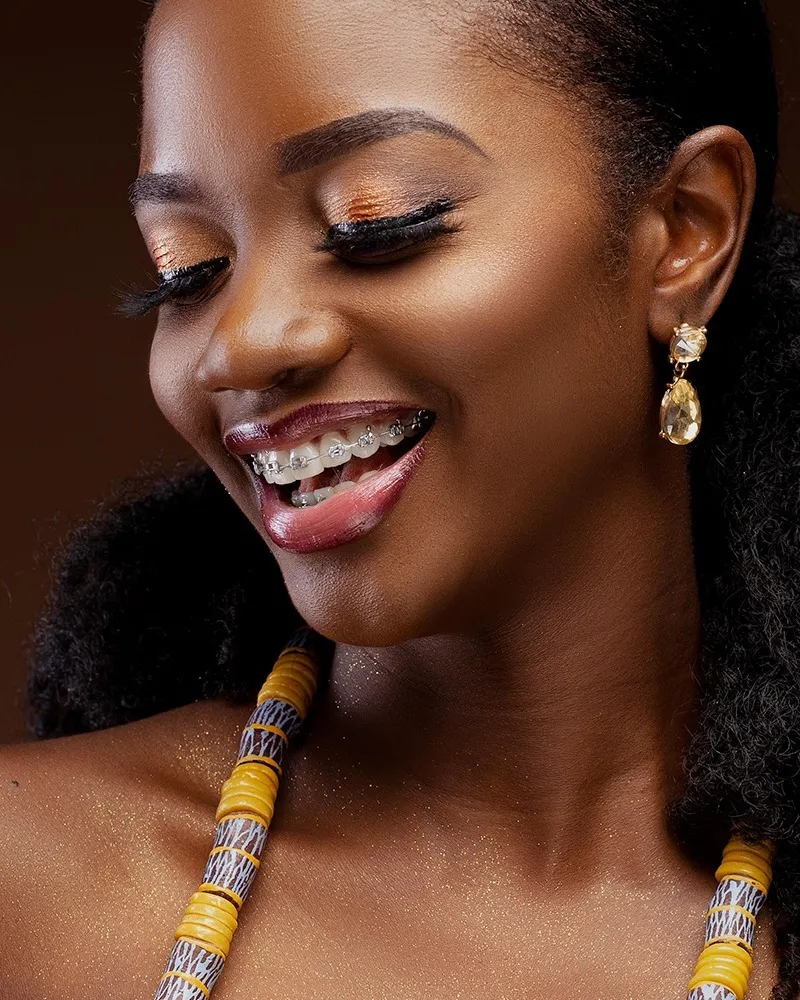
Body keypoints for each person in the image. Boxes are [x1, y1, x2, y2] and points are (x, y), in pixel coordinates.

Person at [2, 0, 799, 997]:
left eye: (375, 227)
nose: (238, 343)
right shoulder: (29, 890)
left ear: (685, 229)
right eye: (187, 270)